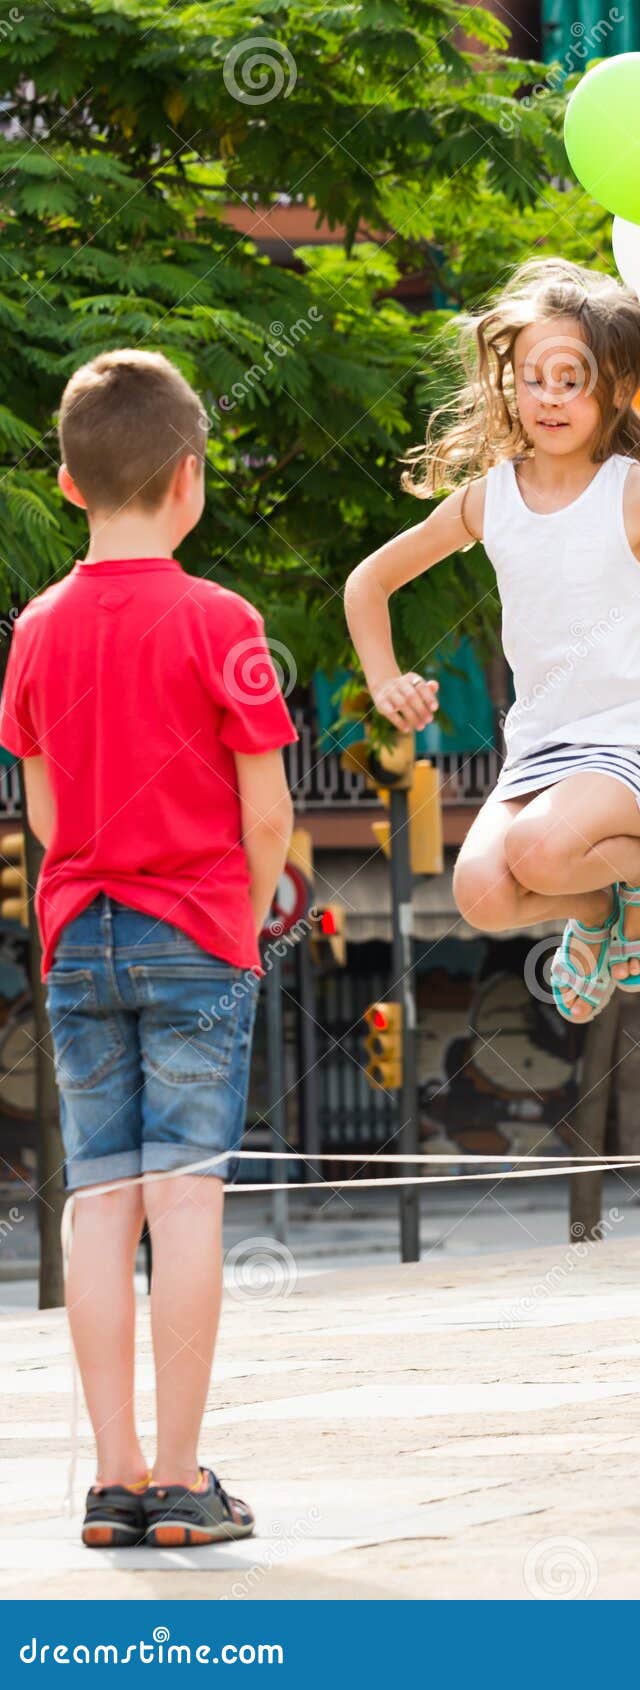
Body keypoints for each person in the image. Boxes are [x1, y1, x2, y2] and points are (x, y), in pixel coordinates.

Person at [0, 350, 297, 1544]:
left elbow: (49, 820)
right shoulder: (222, 620)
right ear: (191, 478)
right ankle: (182, 1477)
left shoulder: (35, 631)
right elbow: (267, 811)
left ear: (69, 486)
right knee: (186, 1198)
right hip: (196, 932)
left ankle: (112, 1475)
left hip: (80, 938)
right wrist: (247, 918)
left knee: (99, 1199)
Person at [345, 259, 640, 1023]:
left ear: (612, 390)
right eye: (532, 376)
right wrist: (385, 679)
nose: (549, 397)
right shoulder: (489, 499)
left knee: (538, 852)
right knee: (480, 894)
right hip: (543, 749)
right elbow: (368, 582)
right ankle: (595, 911)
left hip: (637, 744)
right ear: (508, 382)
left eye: (571, 379)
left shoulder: (637, 495)